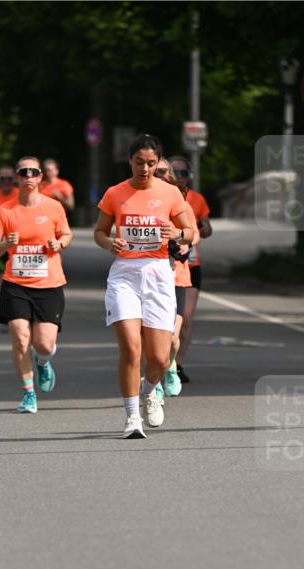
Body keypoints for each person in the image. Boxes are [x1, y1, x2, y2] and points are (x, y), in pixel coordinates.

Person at [93, 133, 194, 438]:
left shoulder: (170, 193)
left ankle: (149, 391)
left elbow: (190, 232)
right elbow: (100, 231)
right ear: (130, 161)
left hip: (158, 274)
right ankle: (132, 418)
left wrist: (176, 233)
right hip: (124, 274)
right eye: (139, 162)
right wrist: (109, 242)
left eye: (151, 163)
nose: (145, 168)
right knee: (130, 348)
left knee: (160, 359)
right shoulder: (115, 193)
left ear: (157, 162)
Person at [0, 155, 71, 413]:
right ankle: (28, 393)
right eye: (23, 173)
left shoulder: (54, 207)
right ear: (17, 178)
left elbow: (66, 234)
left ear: (40, 177)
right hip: (16, 284)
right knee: (21, 337)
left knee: (44, 344)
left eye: (33, 172)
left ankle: (43, 362)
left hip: (49, 283)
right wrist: (5, 244)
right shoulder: (5, 210)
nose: (28, 177)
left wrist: (59, 244)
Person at [155, 159, 199, 397]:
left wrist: (182, 241)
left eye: (163, 171)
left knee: (172, 337)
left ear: (170, 175)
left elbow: (194, 234)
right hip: (149, 276)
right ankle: (153, 381)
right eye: (155, 171)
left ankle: (171, 366)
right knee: (149, 336)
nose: (157, 174)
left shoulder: (180, 202)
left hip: (176, 277)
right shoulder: (138, 200)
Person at [169, 155, 212, 383]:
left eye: (183, 173)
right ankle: (158, 362)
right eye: (174, 172)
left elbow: (206, 228)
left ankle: (177, 365)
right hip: (163, 265)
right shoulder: (160, 196)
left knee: (185, 318)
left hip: (190, 264)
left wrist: (202, 229)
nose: (178, 177)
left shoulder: (196, 199)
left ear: (190, 176)